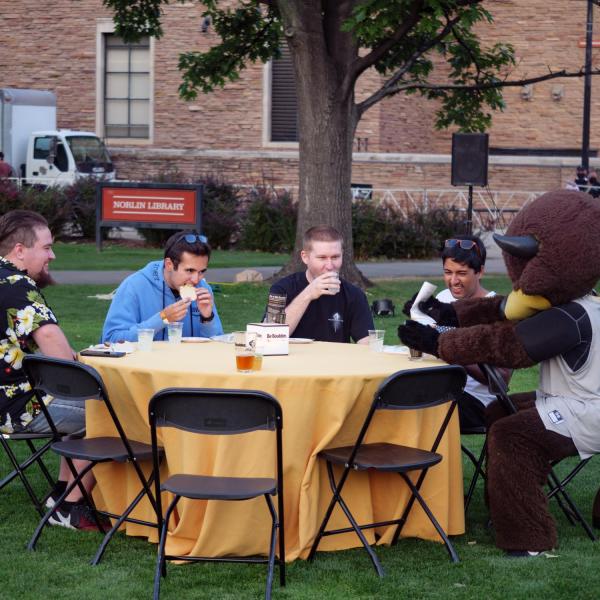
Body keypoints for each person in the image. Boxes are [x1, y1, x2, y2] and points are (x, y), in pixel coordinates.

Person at [0, 210, 99, 529]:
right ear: (19, 250)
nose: (52, 255)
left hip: (7, 401)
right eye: (46, 247)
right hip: (18, 408)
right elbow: (59, 355)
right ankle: (70, 506)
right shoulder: (17, 284)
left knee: (81, 407)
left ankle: (60, 492)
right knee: (109, 410)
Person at [403, 235, 510, 429]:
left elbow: (501, 379)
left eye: (462, 273)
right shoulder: (444, 298)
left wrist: (444, 346)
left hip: (479, 403)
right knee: (390, 395)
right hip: (440, 386)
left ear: (480, 272)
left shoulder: (496, 309)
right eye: (447, 272)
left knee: (414, 408)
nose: (453, 281)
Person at [102, 231, 223, 342]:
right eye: (190, 270)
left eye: (201, 271)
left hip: (188, 364)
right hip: (145, 364)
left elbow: (218, 344)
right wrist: (162, 319)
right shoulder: (134, 286)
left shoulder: (203, 289)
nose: (196, 279)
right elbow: (110, 340)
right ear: (169, 264)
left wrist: (207, 319)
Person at [268, 225, 373, 343]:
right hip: (294, 360)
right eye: (322, 258)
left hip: (335, 360)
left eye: (335, 257)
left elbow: (366, 342)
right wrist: (308, 294)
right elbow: (269, 336)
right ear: (305, 257)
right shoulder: (282, 289)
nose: (330, 266)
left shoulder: (354, 295)